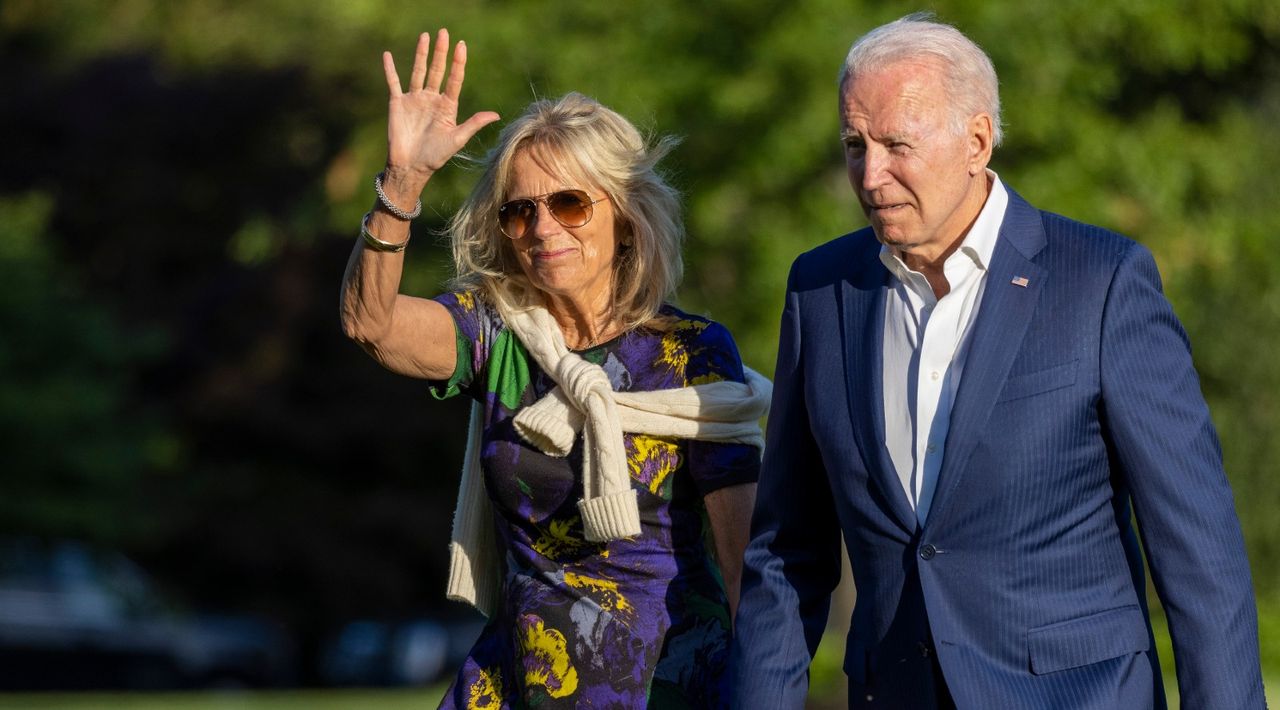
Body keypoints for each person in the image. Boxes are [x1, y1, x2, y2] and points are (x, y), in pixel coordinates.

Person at [732, 13, 1265, 710]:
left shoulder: (1102, 282)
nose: (871, 173)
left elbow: (1200, 557)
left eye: (897, 144)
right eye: (853, 144)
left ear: (977, 139)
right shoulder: (821, 290)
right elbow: (787, 553)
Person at [340, 29, 769, 708]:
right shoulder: (497, 334)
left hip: (664, 687)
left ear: (625, 217)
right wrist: (404, 182)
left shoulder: (689, 353)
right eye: (520, 211)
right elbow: (371, 324)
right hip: (517, 684)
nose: (543, 227)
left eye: (569, 203)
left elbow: (746, 562)